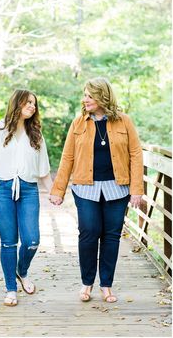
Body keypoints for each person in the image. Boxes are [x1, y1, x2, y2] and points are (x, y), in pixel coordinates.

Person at [50, 78, 143, 303]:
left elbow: (136, 154)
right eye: (85, 95)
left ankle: (106, 285)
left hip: (118, 188)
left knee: (111, 236)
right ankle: (87, 283)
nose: (85, 100)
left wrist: (136, 189)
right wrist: (58, 189)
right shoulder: (78, 123)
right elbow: (68, 157)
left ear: (103, 96)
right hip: (85, 187)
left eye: (90, 96)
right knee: (89, 232)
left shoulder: (124, 122)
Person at [0, 89, 52, 306]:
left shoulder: (36, 134)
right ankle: (10, 289)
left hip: (28, 189)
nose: (32, 107)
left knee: (32, 240)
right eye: (28, 102)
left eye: (34, 104)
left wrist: (54, 192)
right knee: (9, 242)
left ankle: (22, 270)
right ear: (16, 103)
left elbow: (43, 170)